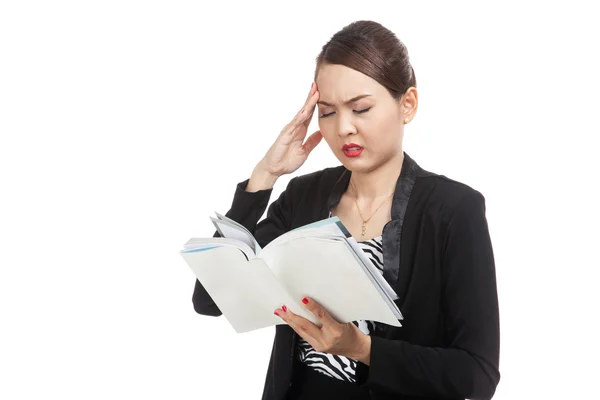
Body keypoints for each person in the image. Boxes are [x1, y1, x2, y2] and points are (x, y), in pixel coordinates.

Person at [192, 20, 500, 400]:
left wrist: (362, 349)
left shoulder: (454, 210)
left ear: (407, 104)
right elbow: (208, 300)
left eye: (361, 108)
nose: (344, 129)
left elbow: (477, 376)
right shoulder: (304, 195)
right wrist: (264, 176)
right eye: (328, 112)